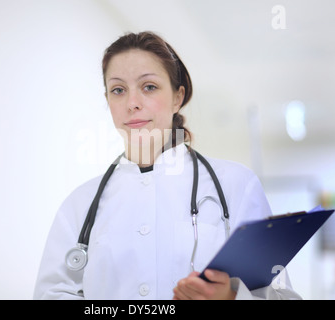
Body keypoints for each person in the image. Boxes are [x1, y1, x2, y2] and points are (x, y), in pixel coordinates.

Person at [33, 31, 302, 300]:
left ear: (177, 97)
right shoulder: (80, 205)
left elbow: (281, 295)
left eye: (149, 87)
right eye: (118, 90)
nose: (132, 103)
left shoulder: (236, 184)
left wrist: (232, 298)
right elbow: (51, 294)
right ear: (108, 101)